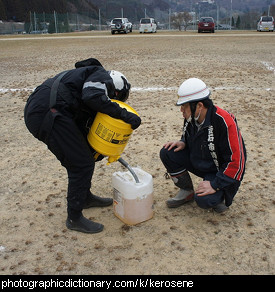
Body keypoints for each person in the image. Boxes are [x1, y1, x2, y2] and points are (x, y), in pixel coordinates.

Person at [24, 58, 141, 233]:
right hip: (47, 112)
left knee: (84, 155)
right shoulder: (101, 76)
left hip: (48, 110)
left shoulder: (85, 80)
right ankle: (74, 217)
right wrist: (124, 115)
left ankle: (84, 198)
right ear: (115, 92)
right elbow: (92, 96)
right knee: (80, 163)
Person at [160, 78, 246, 213]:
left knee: (204, 200)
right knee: (167, 152)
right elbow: (189, 135)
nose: (181, 110)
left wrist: (214, 185)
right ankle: (186, 191)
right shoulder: (191, 117)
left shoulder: (224, 121)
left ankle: (221, 195)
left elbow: (237, 163)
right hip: (201, 161)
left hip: (219, 171)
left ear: (199, 105)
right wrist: (183, 142)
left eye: (185, 106)